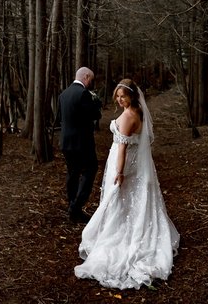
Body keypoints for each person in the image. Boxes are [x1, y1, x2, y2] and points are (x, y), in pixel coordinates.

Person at [74, 79, 180, 289]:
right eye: (118, 96)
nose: (120, 100)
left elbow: (122, 148)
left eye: (124, 96)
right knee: (130, 199)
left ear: (132, 96)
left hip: (124, 164)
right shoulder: (138, 112)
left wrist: (119, 172)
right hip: (134, 164)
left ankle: (121, 235)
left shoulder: (128, 117)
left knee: (120, 199)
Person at [58, 67, 102, 223]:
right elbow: (94, 115)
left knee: (73, 173)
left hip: (66, 142)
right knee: (91, 169)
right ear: (86, 76)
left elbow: (60, 118)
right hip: (82, 142)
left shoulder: (63, 94)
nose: (92, 82)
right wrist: (96, 103)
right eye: (92, 79)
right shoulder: (83, 94)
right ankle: (75, 207)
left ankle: (73, 208)